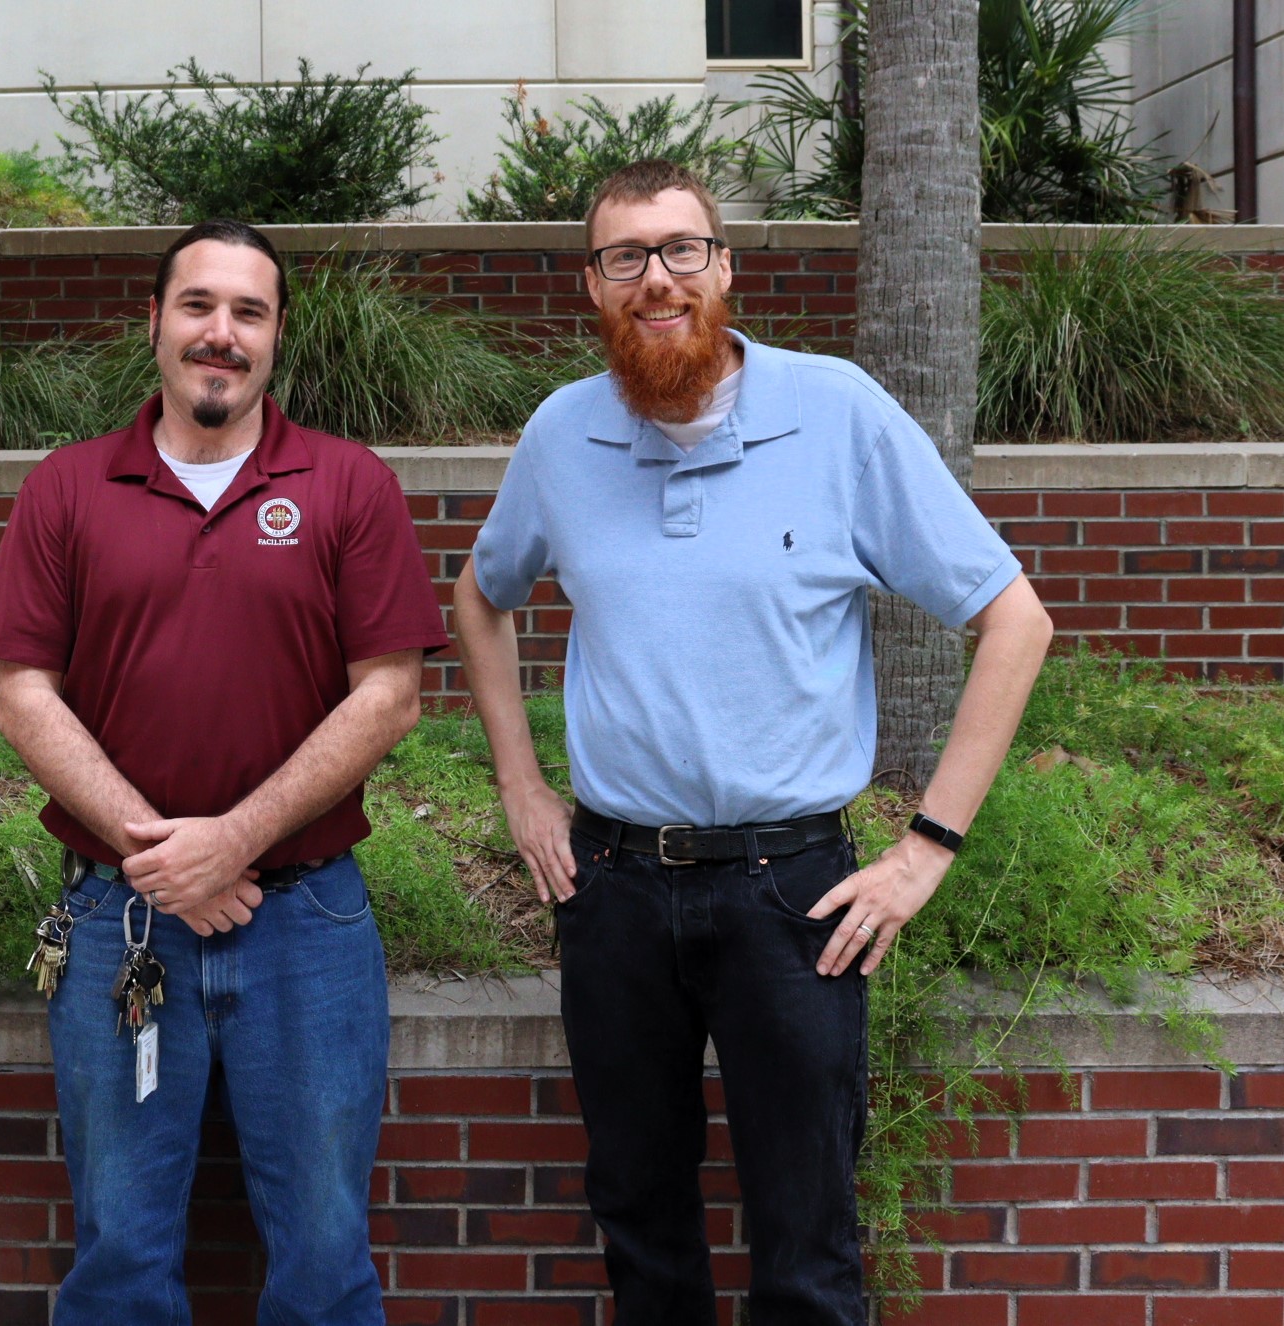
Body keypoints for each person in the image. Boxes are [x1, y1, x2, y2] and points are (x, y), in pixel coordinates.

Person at [452, 160, 1054, 1325]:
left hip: (795, 899)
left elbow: (1011, 619)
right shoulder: (559, 435)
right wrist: (521, 787)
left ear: (724, 268)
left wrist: (925, 848)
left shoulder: (833, 411)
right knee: (639, 1224)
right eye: (623, 257)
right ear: (592, 286)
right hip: (612, 889)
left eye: (681, 250)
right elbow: (481, 597)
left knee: (804, 1241)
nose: (656, 279)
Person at [0, 219, 448, 1325]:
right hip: (118, 928)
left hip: (305, 926)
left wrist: (231, 841)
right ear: (154, 323)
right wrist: (163, 854)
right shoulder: (68, 489)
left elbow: (388, 693)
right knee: (121, 1261)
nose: (219, 334)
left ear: (277, 335)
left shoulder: (346, 484)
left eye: (247, 312)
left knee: (325, 1262)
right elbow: (19, 695)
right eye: (197, 307)